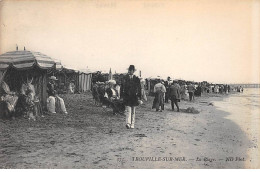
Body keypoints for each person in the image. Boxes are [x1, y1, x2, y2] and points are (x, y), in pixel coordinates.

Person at [121, 65, 141, 129]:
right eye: (129, 70)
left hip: (134, 97)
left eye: (131, 70)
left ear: (133, 71)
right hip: (127, 97)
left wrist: (139, 97)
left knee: (133, 111)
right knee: (128, 110)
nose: (130, 71)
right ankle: (128, 123)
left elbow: (139, 88)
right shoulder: (125, 78)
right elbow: (122, 87)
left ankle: (132, 124)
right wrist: (122, 96)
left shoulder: (136, 79)